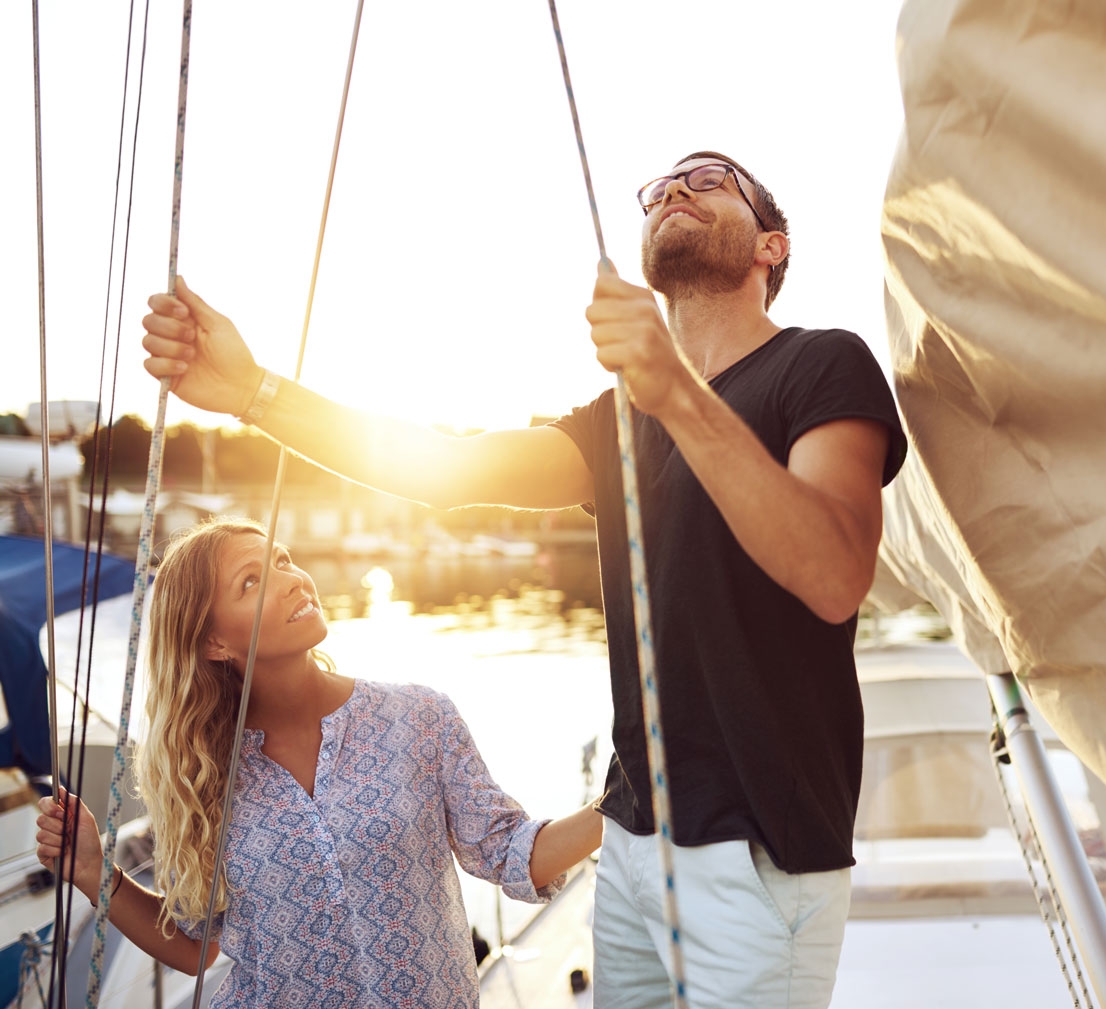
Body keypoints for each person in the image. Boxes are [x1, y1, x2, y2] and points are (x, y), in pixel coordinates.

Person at [141, 151, 908, 1009]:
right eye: (659, 188)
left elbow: (837, 573)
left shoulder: (822, 365)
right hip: (633, 843)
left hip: (761, 851)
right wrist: (254, 393)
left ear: (772, 245)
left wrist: (674, 391)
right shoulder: (617, 419)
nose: (675, 191)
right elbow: (448, 469)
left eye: (710, 179)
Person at [36, 516, 602, 1007]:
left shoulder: (418, 715)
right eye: (252, 580)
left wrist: (616, 807)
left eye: (282, 560)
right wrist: (93, 873)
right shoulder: (205, 774)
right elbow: (194, 946)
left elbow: (510, 854)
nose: (291, 580)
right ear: (213, 643)